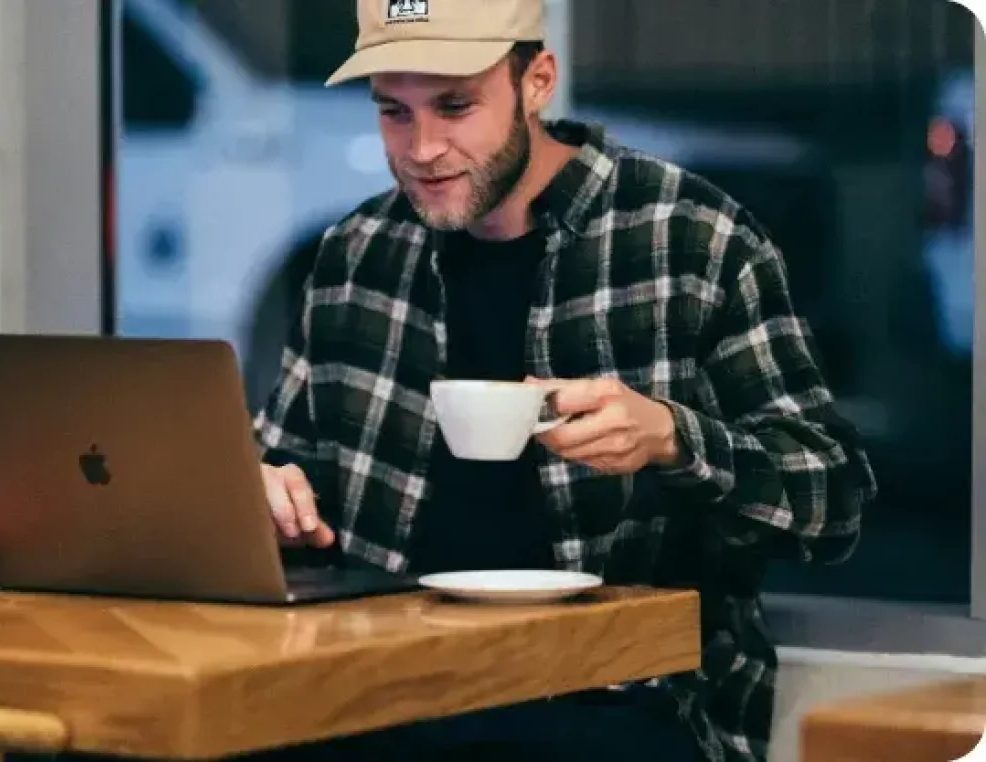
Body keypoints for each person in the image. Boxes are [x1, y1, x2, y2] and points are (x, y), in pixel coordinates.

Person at [252, 0, 878, 761]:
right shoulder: (354, 254)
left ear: (537, 81)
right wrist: (268, 491)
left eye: (455, 106)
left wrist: (675, 440)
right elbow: (283, 468)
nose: (422, 148)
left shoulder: (693, 241)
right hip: (385, 692)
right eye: (393, 112)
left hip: (618, 702)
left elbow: (835, 502)